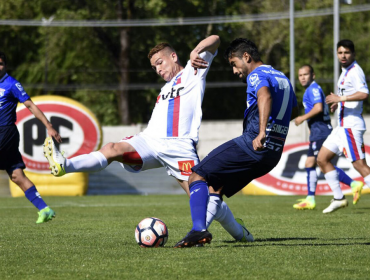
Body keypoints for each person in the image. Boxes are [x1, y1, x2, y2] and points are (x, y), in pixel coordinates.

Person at [44, 35, 252, 242]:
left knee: (204, 198)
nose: (158, 70)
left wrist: (196, 50)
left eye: (160, 63)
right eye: (154, 67)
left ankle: (238, 231)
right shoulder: (163, 90)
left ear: (173, 56)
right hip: (149, 141)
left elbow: (215, 39)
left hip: (178, 146)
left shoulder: (193, 70)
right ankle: (65, 165)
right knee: (113, 148)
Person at [174, 38, 299, 248]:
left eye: (234, 64)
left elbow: (264, 95)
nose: (234, 70)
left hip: (252, 145)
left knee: (197, 175)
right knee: (216, 188)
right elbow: (294, 111)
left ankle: (197, 230)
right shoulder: (282, 78)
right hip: (272, 155)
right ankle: (234, 235)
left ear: (246, 57)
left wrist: (261, 132)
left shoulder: (256, 75)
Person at [0, 51, 61, 223]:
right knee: (17, 176)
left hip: (5, 132)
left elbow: (30, 106)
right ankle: (45, 209)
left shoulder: (11, 84)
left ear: (5, 66)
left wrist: (49, 126)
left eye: (1, 64)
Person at [293, 64, 363, 210]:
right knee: (309, 163)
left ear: (313, 75)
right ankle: (310, 198)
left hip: (322, 132)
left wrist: (302, 118)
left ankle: (352, 184)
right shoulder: (310, 90)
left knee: (322, 162)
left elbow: (318, 108)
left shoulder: (313, 89)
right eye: (300, 75)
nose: (303, 78)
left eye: (305, 74)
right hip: (317, 133)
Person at [317, 39, 369, 214]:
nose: (343, 55)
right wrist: (337, 103)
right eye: (340, 52)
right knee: (322, 159)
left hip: (350, 127)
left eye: (346, 52)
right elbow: (347, 94)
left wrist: (341, 99)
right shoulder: (344, 72)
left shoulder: (355, 71)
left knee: (360, 165)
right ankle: (339, 198)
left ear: (353, 54)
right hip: (340, 128)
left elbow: (364, 93)